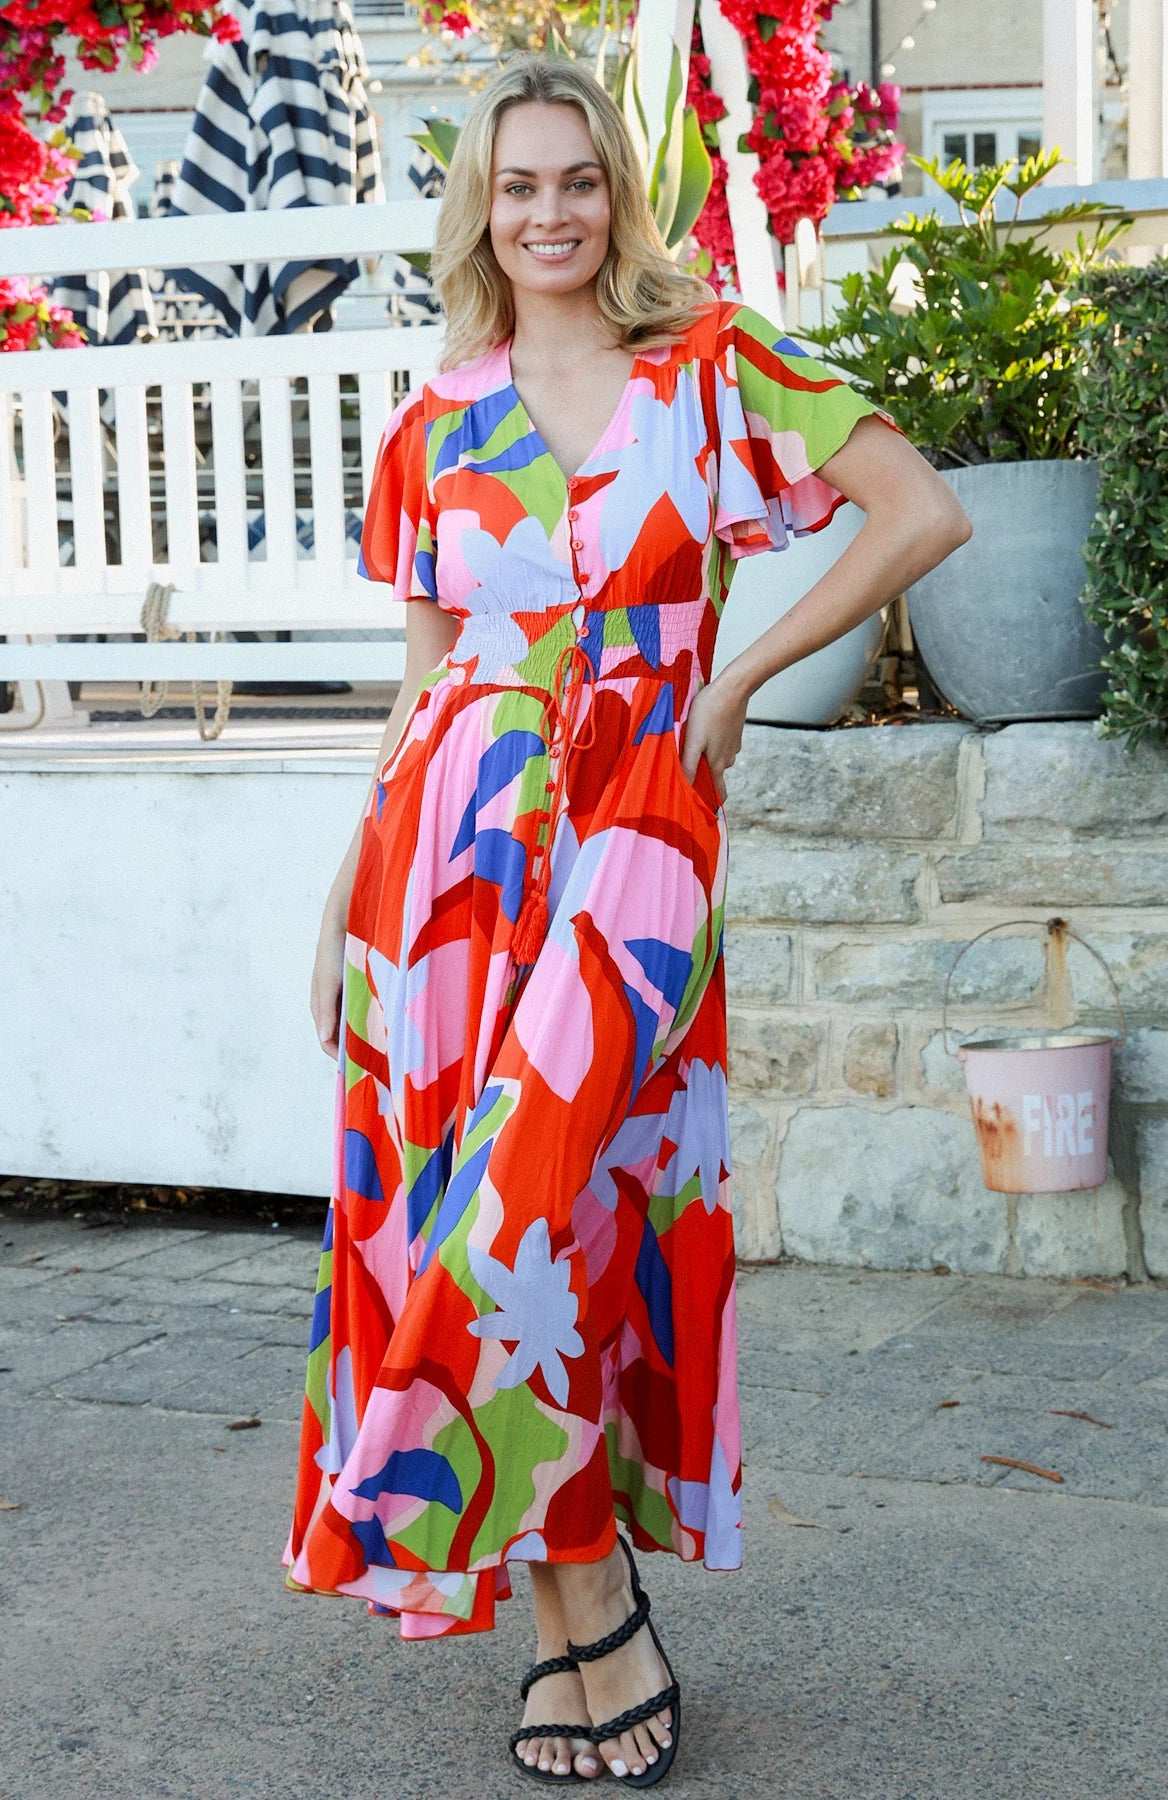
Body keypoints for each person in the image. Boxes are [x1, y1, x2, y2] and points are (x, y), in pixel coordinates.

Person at [281, 49, 971, 1790]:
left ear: (619, 193)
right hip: (446, 868)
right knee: (518, 1226)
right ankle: (574, 1620)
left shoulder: (715, 364)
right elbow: (424, 683)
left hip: (642, 833)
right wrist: (343, 895)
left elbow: (921, 511)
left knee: (544, 1199)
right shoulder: (438, 421)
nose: (551, 214)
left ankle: (578, 1594)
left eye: (578, 180)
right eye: (518, 186)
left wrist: (735, 680)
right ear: (482, 207)